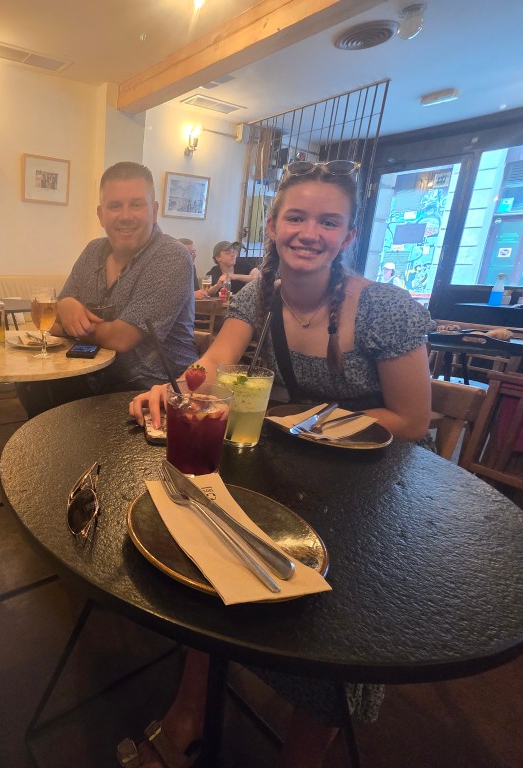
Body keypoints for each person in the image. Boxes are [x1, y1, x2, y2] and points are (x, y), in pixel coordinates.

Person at [126, 160, 433, 768]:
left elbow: (412, 419)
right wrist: (175, 390)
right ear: (272, 226)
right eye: (296, 217)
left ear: (348, 235)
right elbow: (215, 362)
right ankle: (189, 715)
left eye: (329, 222)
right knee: (217, 559)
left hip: (371, 489)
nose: (309, 232)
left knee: (332, 628)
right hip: (290, 471)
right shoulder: (258, 294)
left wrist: (306, 424)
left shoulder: (386, 309)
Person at [16, 161, 198, 418]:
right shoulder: (93, 251)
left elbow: (121, 338)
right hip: (97, 378)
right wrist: (66, 306)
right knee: (32, 384)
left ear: (154, 210)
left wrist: (69, 317)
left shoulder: (171, 256)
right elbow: (51, 322)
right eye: (115, 206)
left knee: (68, 411)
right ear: (101, 214)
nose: (125, 216)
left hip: (157, 387)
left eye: (136, 204)